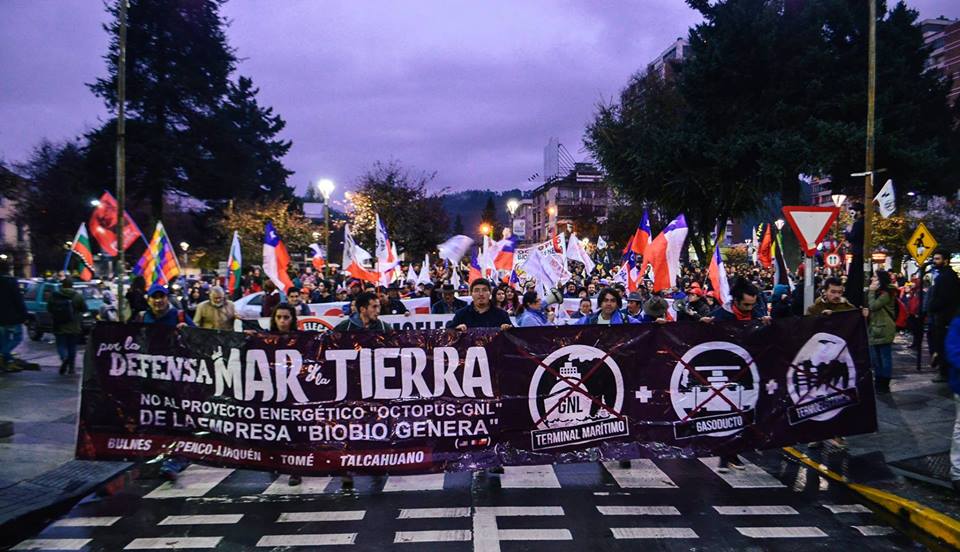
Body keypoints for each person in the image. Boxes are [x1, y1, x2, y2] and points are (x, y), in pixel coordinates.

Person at [702, 280, 769, 472]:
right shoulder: (720, 316)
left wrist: (766, 326)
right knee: (727, 413)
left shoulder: (757, 314)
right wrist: (703, 326)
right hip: (726, 372)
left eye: (753, 304)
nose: (750, 308)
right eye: (746, 305)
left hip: (749, 373)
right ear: (736, 301)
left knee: (745, 414)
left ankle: (733, 453)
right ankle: (726, 455)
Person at [864, 270, 897, 394]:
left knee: (884, 357)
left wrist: (871, 291)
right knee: (876, 358)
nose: (872, 279)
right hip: (875, 327)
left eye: (875, 277)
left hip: (884, 327)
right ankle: (878, 381)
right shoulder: (879, 292)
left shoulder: (887, 292)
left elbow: (873, 306)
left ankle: (884, 383)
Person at [930, 249, 960, 383]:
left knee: (942, 344)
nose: (935, 261)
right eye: (934, 259)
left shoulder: (946, 277)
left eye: (937, 259)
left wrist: (933, 306)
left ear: (945, 260)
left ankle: (944, 372)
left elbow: (945, 298)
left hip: (945, 316)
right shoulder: (945, 275)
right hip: (945, 316)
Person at [47, 278, 87, 375]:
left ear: (62, 285)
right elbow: (84, 309)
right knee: (72, 347)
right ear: (72, 285)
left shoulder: (55, 295)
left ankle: (64, 358)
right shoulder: (78, 296)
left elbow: (49, 308)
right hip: (74, 326)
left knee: (60, 345)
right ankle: (71, 368)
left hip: (59, 325)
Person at [0, 258, 29, 372]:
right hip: (11, 317)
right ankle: (4, 355)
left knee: (3, 339)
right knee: (17, 337)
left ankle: (6, 362)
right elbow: (18, 300)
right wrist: (24, 315)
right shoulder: (11, 282)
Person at [844, 202, 865, 307]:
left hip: (857, 254)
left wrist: (847, 231)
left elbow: (852, 237)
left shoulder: (858, 224)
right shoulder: (864, 222)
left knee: (855, 279)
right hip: (860, 253)